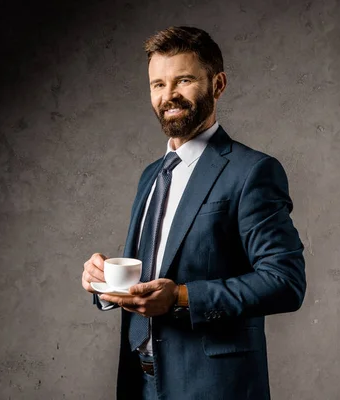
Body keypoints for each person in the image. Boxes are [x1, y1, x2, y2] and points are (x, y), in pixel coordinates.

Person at [81, 26, 306, 400]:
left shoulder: (251, 172)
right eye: (157, 84)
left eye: (183, 80)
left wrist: (183, 296)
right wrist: (104, 284)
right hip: (141, 382)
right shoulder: (151, 175)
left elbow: (286, 282)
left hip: (213, 385)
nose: (168, 96)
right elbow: (153, 272)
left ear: (217, 84)